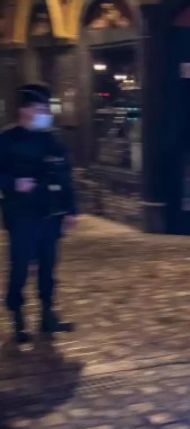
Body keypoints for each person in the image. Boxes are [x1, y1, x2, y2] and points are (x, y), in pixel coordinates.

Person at [0, 84, 78, 343]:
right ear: (24, 110)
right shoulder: (7, 139)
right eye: (39, 108)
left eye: (46, 108)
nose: (45, 113)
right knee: (21, 266)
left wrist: (71, 210)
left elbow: (65, 175)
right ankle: (18, 318)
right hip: (21, 214)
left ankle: (47, 315)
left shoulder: (52, 139)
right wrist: (13, 184)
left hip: (49, 213)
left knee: (48, 266)